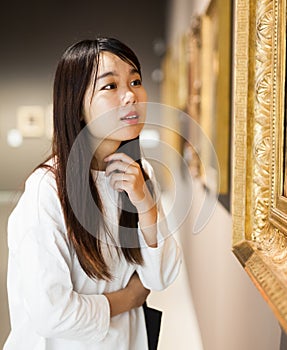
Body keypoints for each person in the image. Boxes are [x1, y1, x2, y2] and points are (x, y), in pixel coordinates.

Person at [4, 37, 181, 350]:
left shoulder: (140, 176)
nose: (131, 96)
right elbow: (52, 313)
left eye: (135, 80)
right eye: (110, 86)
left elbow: (161, 277)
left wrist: (146, 205)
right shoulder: (46, 191)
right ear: (77, 105)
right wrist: (128, 298)